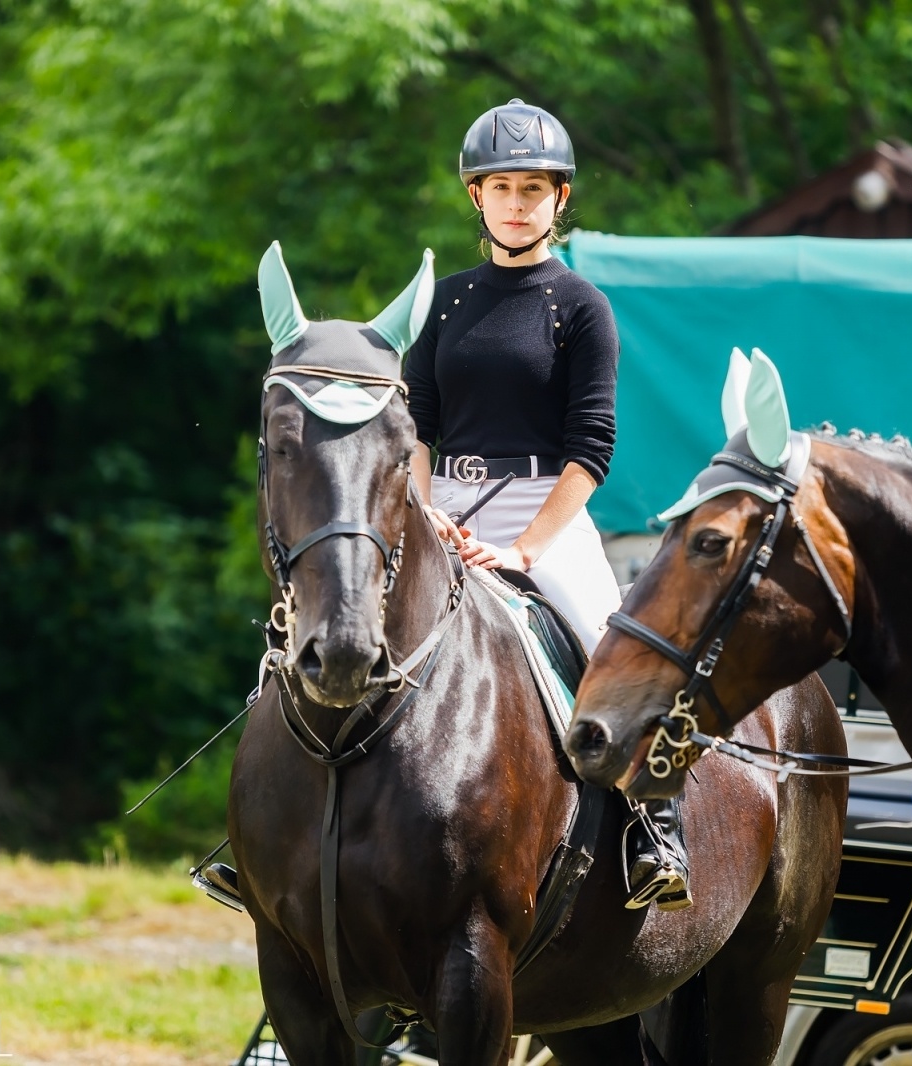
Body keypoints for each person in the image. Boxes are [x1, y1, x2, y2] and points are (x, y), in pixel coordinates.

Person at [403, 99, 690, 911]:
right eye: (503, 185)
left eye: (536, 186)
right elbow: (418, 427)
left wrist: (527, 550)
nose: (519, 201)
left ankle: (654, 833)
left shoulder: (581, 306)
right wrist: (426, 519)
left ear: (560, 199)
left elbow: (591, 446)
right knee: (341, 607)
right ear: (477, 196)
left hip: (545, 509)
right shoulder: (446, 302)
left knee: (613, 647)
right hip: (440, 501)